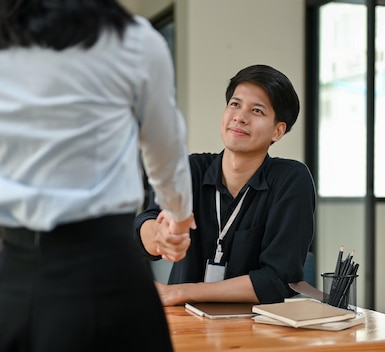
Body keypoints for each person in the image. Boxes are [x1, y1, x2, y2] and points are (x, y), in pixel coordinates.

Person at [0, 0, 195, 351]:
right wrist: (178, 220)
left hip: (16, 289)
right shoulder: (132, 41)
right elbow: (166, 157)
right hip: (110, 282)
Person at [135, 64, 316, 307]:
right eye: (235, 104)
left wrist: (183, 292)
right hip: (186, 322)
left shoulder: (291, 180)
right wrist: (160, 235)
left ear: (278, 131)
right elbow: (145, 227)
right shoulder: (190, 170)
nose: (240, 117)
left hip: (257, 328)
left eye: (257, 111)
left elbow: (278, 279)